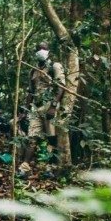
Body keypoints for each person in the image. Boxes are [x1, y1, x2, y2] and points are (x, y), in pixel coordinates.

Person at [18, 42, 65, 177]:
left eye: (44, 48)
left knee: (51, 137)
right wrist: (25, 111)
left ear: (48, 50)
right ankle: (25, 167)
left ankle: (50, 168)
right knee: (32, 136)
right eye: (38, 49)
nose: (41, 51)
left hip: (49, 105)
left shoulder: (55, 66)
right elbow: (30, 92)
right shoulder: (33, 70)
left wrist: (54, 105)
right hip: (36, 107)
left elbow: (61, 86)